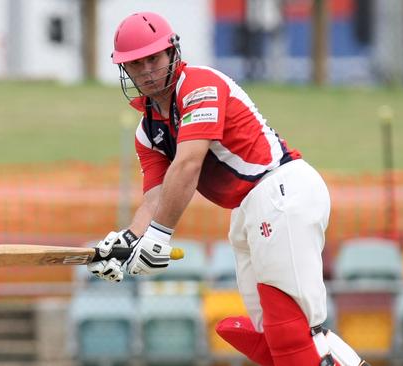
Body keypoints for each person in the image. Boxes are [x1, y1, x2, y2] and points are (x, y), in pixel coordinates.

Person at [86, 12, 369, 366]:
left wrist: (158, 235)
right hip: (249, 209)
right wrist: (127, 240)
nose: (146, 70)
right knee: (276, 341)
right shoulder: (148, 131)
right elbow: (155, 195)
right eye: (135, 64)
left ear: (172, 52)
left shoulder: (200, 86)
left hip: (279, 190)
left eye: (153, 58)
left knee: (291, 331)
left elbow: (188, 163)